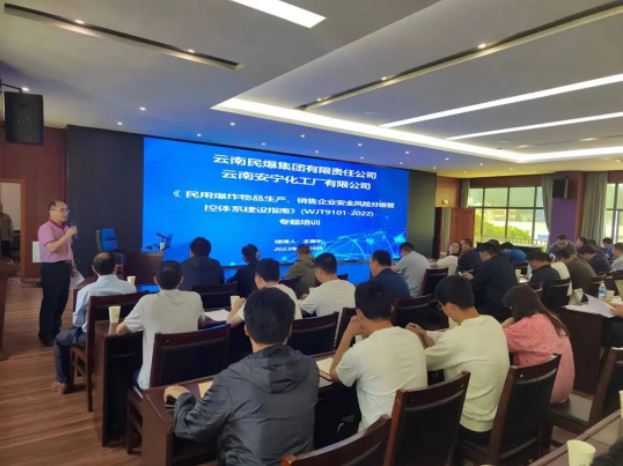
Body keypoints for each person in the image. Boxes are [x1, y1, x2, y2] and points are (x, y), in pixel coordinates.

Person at [167, 287, 318, 466]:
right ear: (290, 329)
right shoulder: (310, 367)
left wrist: (182, 396)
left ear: (246, 329)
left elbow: (188, 428)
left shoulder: (231, 380)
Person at [406, 276, 509, 436]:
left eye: (441, 307)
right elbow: (456, 338)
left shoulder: (455, 339)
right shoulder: (492, 322)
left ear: (450, 306)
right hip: (495, 416)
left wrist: (409, 340)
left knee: (415, 418)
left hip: (469, 424)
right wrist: (425, 333)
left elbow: (420, 361)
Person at [330, 280, 427, 431]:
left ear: (359, 314)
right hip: (414, 431)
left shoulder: (360, 352)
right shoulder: (412, 337)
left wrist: (348, 333)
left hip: (377, 439)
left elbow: (334, 373)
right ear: (391, 308)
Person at [52, 252, 136, 393]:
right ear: (115, 268)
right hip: (121, 337)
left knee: (60, 339)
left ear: (94, 269)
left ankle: (63, 382)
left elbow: (77, 322)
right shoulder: (130, 288)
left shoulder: (86, 291)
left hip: (91, 338)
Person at [116, 261, 207, 389]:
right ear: (181, 279)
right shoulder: (195, 298)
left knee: (125, 368)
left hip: (153, 382)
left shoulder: (147, 302)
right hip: (187, 377)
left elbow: (120, 331)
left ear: (155, 280)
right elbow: (202, 321)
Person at [501, 286, 574, 403]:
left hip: (541, 392)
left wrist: (505, 324)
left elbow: (494, 342)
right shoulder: (553, 318)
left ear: (515, 308)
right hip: (563, 388)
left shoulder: (524, 327)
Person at [37, 201, 78, 346]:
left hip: (65, 267)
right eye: (61, 210)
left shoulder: (65, 228)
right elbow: (53, 248)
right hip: (52, 268)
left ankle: (55, 330)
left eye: (67, 210)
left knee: (62, 300)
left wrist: (72, 265)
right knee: (50, 301)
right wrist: (68, 235)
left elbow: (69, 249)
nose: (65, 213)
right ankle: (45, 334)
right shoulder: (45, 228)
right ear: (51, 211)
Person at [228, 258, 301, 327]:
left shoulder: (256, 298)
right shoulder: (290, 291)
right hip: (293, 336)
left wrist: (236, 307)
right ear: (279, 277)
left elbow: (229, 323)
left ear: (258, 279)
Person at [462, 242, 517, 322]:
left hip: (495, 306)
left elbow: (475, 283)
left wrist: (470, 280)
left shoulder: (489, 264)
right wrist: (474, 279)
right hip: (509, 306)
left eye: (480, 254)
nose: (480, 257)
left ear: (485, 253)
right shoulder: (507, 263)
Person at [300, 253, 355, 317]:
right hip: (351, 323)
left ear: (319, 271)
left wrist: (309, 299)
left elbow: (299, 310)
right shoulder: (351, 286)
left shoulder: (318, 292)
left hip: (329, 323)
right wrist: (310, 297)